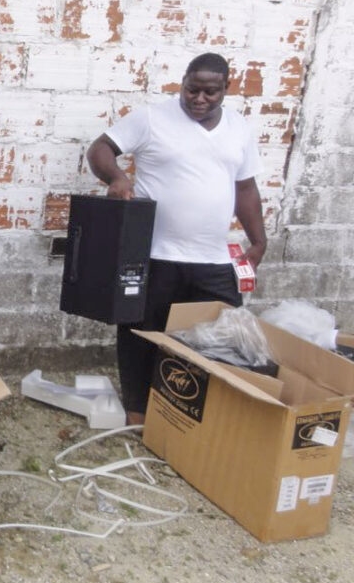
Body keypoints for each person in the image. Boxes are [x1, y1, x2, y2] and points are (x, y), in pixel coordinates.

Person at [85, 52, 268, 425]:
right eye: (192, 90)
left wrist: (258, 241)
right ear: (181, 83)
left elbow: (246, 188)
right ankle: (138, 413)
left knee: (219, 338)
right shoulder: (152, 118)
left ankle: (197, 418)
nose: (199, 99)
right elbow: (100, 149)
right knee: (141, 334)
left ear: (226, 89)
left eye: (210, 92)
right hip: (155, 254)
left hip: (214, 259)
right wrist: (117, 178)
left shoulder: (239, 128)